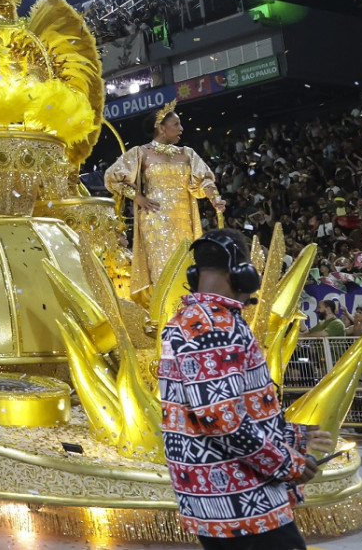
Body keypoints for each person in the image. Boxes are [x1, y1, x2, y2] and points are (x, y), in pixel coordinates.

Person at [159, 229, 332, 549]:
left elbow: (214, 408)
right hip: (243, 502)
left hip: (216, 501)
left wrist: (293, 434)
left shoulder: (184, 321)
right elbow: (222, 421)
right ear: (242, 271)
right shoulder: (213, 326)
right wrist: (289, 464)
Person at [105, 102, 227, 303]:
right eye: (176, 124)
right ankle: (164, 316)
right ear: (161, 127)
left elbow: (204, 179)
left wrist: (215, 198)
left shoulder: (187, 153)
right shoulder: (140, 153)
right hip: (155, 222)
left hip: (183, 220)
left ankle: (189, 315)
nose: (181, 128)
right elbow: (113, 178)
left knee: (186, 266)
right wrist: (137, 197)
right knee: (162, 269)